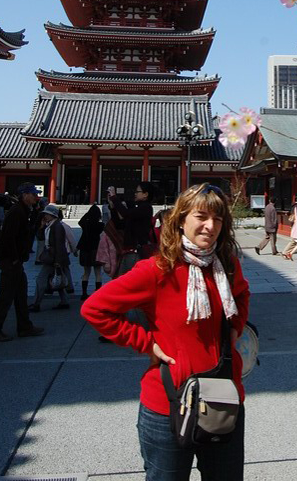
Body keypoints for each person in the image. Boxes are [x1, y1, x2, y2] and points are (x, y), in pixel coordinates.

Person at [81, 183, 250, 481]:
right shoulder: (157, 269)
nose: (210, 226)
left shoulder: (226, 266)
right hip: (168, 404)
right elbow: (95, 308)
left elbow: (242, 295)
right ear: (181, 218)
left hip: (223, 400)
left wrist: (235, 328)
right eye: (201, 216)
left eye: (218, 219)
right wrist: (146, 343)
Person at [0, 183, 45, 341]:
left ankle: (25, 326)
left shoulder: (24, 210)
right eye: (33, 194)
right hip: (11, 260)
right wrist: (13, 258)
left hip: (16, 260)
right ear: (24, 195)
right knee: (6, 296)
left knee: (21, 293)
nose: (36, 197)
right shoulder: (16, 211)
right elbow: (8, 237)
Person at [29, 204, 71, 311]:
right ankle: (64, 301)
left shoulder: (57, 227)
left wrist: (57, 261)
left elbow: (59, 244)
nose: (45, 216)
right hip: (53, 257)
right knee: (58, 278)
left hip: (54, 258)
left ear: (53, 215)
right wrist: (41, 227)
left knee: (41, 279)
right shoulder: (50, 225)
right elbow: (41, 238)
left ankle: (36, 303)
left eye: (47, 214)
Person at [108, 182, 155, 275]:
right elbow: (119, 225)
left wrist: (114, 197)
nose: (135, 193)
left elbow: (125, 213)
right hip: (128, 252)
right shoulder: (138, 208)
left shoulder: (146, 208)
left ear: (145, 194)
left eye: (138, 191)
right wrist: (112, 208)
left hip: (136, 253)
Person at [77, 204, 104, 301]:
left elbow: (81, 221)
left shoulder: (85, 224)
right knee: (98, 272)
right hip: (95, 249)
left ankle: (84, 293)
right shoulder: (100, 225)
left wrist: (88, 213)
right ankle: (98, 292)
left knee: (86, 272)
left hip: (85, 248)